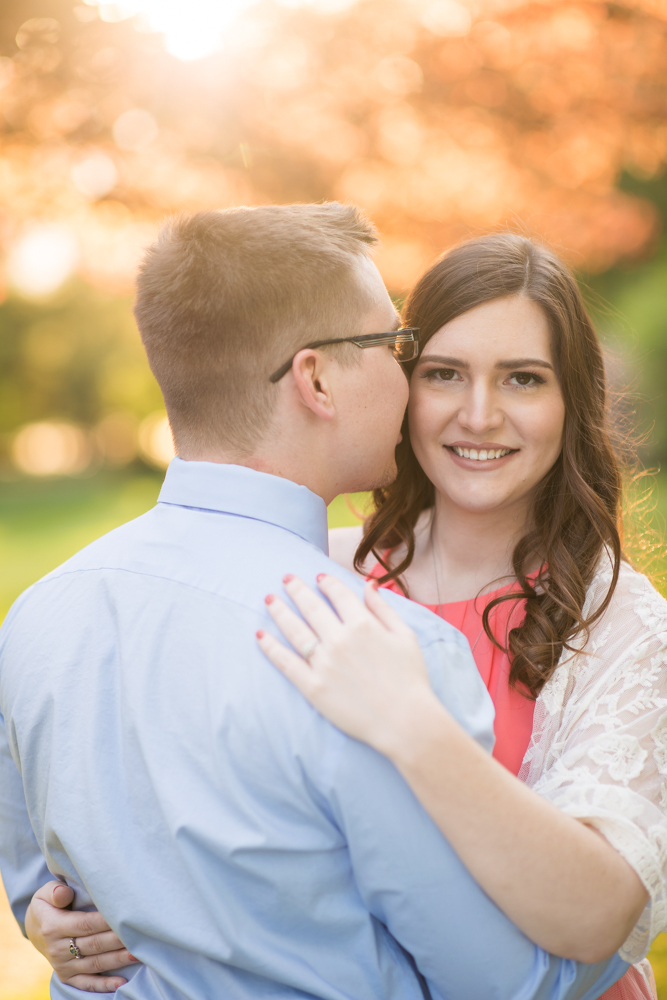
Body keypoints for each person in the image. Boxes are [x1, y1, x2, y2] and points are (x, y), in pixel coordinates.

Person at [0, 207, 629, 1000]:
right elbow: (491, 980)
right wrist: (612, 940)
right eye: (396, 350)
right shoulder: (377, 640)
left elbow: (43, 889)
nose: (409, 380)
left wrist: (46, 919)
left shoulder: (37, 615)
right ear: (317, 379)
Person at [255, 235, 667, 999]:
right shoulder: (320, 573)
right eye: (445, 374)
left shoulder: (621, 624)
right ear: (402, 386)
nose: (479, 416)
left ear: (570, 401)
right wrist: (87, 910)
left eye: (522, 379)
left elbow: (593, 914)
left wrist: (411, 723)